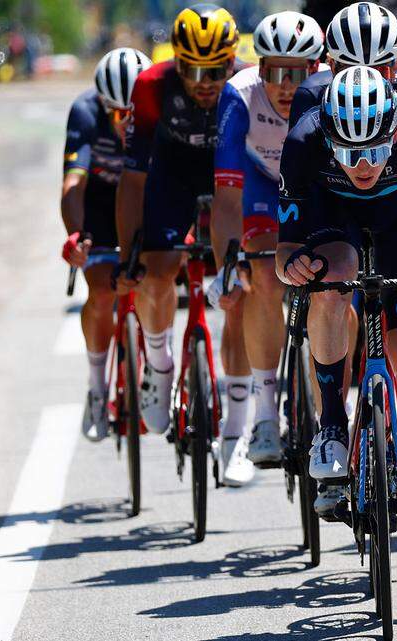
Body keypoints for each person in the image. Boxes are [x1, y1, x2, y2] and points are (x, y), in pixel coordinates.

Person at [277, 66, 397, 568]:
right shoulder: (303, 139)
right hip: (334, 217)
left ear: (395, 129)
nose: (362, 165)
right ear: (328, 135)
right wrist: (295, 266)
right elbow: (284, 254)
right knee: (329, 281)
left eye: (374, 149)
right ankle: (331, 424)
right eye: (348, 153)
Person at [209, 11, 325, 486]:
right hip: (261, 186)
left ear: (318, 68)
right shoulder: (239, 94)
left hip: (316, 188)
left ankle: (331, 413)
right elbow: (226, 198)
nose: (284, 85)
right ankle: (263, 415)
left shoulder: (335, 93)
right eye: (273, 71)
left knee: (337, 284)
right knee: (260, 274)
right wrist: (226, 265)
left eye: (297, 73)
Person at [116, 4, 240, 439]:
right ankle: (159, 362)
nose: (204, 84)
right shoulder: (151, 86)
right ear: (176, 62)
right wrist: (128, 250)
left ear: (232, 60)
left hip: (228, 169)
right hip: (171, 170)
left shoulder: (245, 85)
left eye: (216, 71)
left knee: (245, 277)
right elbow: (132, 179)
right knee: (157, 272)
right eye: (192, 70)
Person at [61, 48, 153, 440]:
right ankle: (98, 387)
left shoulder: (156, 109)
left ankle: (156, 370)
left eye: (132, 113)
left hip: (146, 203)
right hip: (99, 209)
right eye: (118, 115)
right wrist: (77, 237)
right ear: (103, 104)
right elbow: (72, 186)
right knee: (100, 292)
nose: (126, 123)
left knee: (158, 281)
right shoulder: (84, 112)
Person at [288, 2, 397, 130]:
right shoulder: (309, 95)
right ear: (331, 66)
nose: (364, 83)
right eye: (350, 72)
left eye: (379, 71)